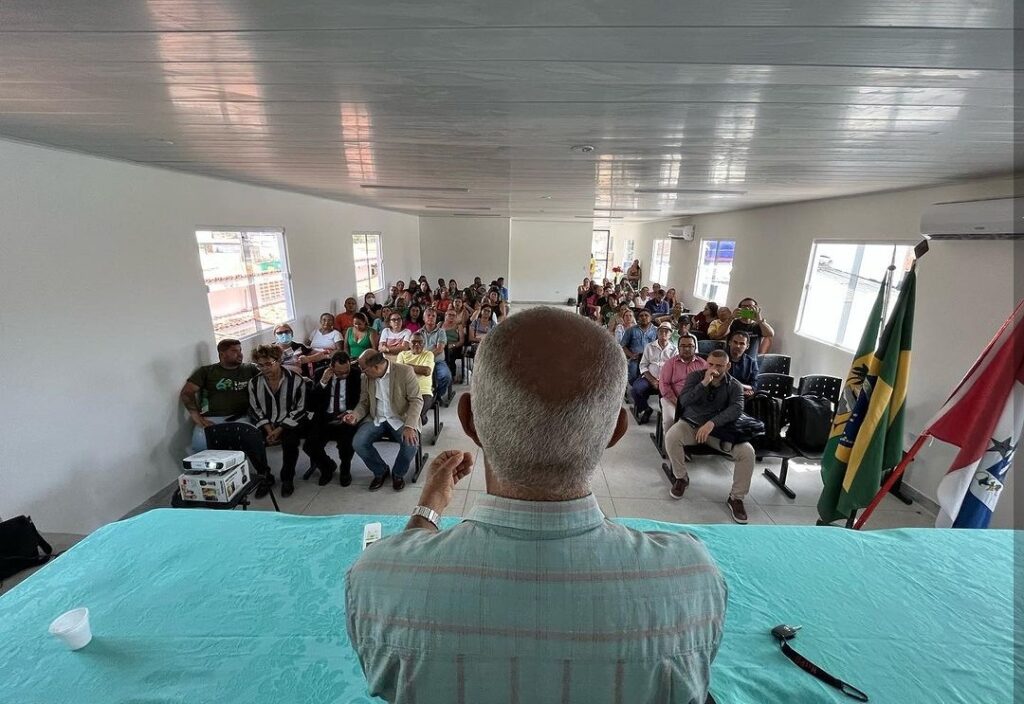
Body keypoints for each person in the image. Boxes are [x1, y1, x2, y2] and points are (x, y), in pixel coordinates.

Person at [345, 308, 726, 702]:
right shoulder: (691, 577)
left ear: (469, 422)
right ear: (615, 432)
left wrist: (426, 512)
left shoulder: (376, 581)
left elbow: (403, 574)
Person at [665, 349, 754, 524]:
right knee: (672, 437)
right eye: (711, 364)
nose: (714, 368)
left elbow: (737, 409)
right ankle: (681, 477)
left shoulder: (734, 385)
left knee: (747, 452)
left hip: (719, 432)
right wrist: (704, 383)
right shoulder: (695, 377)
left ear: (727, 366)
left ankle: (736, 498)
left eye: (719, 365)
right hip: (691, 425)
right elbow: (684, 401)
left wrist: (712, 423)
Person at [343, 350, 423, 492]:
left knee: (410, 444)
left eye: (364, 368)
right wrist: (355, 415)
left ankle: (398, 473)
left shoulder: (404, 371)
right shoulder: (366, 377)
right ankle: (380, 470)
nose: (362, 372)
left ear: (376, 367)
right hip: (376, 418)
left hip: (401, 418)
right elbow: (364, 402)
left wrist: (410, 426)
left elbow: (416, 401)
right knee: (358, 443)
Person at [248, 344, 309, 498]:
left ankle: (287, 478)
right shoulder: (254, 383)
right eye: (260, 365)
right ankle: (265, 476)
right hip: (266, 423)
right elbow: (255, 409)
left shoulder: (295, 380)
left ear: (279, 361)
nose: (264, 369)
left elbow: (300, 408)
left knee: (290, 443)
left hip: (289, 422)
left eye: (268, 364)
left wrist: (279, 429)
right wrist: (269, 430)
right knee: (251, 442)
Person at [180, 338, 259, 453]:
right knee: (200, 450)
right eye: (234, 351)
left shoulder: (250, 369)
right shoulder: (207, 371)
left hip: (241, 417)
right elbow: (187, 392)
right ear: (222, 354)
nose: (240, 354)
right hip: (211, 419)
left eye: (240, 350)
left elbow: (271, 374)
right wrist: (195, 415)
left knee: (242, 449)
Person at [304, 351, 361, 487]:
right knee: (309, 446)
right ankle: (327, 467)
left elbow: (360, 400)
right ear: (331, 367)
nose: (343, 375)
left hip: (346, 416)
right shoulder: (320, 374)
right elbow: (311, 404)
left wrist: (349, 412)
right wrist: (323, 383)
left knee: (346, 444)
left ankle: (345, 469)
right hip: (325, 417)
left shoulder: (355, 374)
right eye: (339, 373)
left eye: (345, 371)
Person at [659, 334, 708, 438]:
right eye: (683, 346)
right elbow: (664, 386)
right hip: (672, 399)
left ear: (695, 347)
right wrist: (679, 403)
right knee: (670, 419)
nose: (686, 349)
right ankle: (669, 445)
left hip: (696, 400)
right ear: (678, 347)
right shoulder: (670, 363)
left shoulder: (703, 364)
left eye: (690, 346)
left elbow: (707, 384)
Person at [631, 322, 677, 424]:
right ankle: (646, 409)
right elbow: (643, 365)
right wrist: (653, 380)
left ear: (670, 334)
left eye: (666, 331)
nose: (663, 333)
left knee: (666, 399)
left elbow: (675, 369)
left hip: (666, 381)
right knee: (635, 390)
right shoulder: (649, 346)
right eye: (661, 331)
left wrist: (662, 382)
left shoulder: (674, 350)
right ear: (657, 333)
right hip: (649, 378)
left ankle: (665, 421)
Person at [397, 333, 436, 426]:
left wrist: (406, 367)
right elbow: (398, 372)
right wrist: (418, 369)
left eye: (420, 342)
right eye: (414, 342)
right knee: (398, 414)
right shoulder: (402, 354)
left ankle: (416, 430)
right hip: (404, 391)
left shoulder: (428, 354)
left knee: (417, 417)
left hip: (423, 391)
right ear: (409, 344)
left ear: (424, 344)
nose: (417, 345)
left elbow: (426, 371)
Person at [419, 308, 451, 400]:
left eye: (433, 316)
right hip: (422, 362)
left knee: (446, 376)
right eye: (428, 315)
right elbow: (416, 350)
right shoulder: (418, 333)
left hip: (437, 361)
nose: (431, 317)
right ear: (424, 318)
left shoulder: (441, 332)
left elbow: (439, 349)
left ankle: (437, 395)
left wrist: (427, 356)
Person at [621, 309, 657, 383]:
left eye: (646, 315)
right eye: (641, 316)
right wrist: (632, 355)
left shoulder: (656, 331)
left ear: (651, 318)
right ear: (638, 318)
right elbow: (622, 346)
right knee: (633, 377)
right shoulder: (631, 330)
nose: (644, 317)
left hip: (651, 360)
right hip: (636, 360)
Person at [441, 308, 466, 383]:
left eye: (454, 315)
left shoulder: (459, 326)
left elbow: (461, 341)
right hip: (441, 345)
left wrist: (453, 345)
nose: (451, 317)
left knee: (449, 353)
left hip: (455, 347)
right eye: (450, 315)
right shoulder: (440, 324)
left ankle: (452, 375)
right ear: (445, 315)